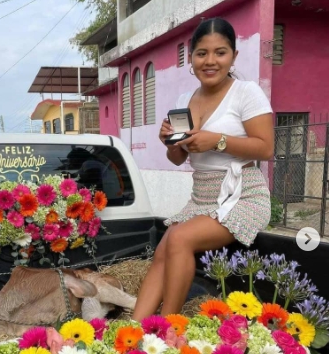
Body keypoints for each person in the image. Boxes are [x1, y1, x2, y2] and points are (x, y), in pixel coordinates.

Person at [132, 17, 274, 320]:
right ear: (192, 59)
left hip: (242, 195)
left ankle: (169, 330)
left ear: (233, 56)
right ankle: (135, 329)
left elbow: (265, 148)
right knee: (165, 246)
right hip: (202, 197)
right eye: (201, 53)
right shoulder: (185, 100)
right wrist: (170, 143)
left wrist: (217, 141)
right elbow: (178, 159)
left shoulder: (246, 93)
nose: (210, 61)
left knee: (180, 238)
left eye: (220, 52)